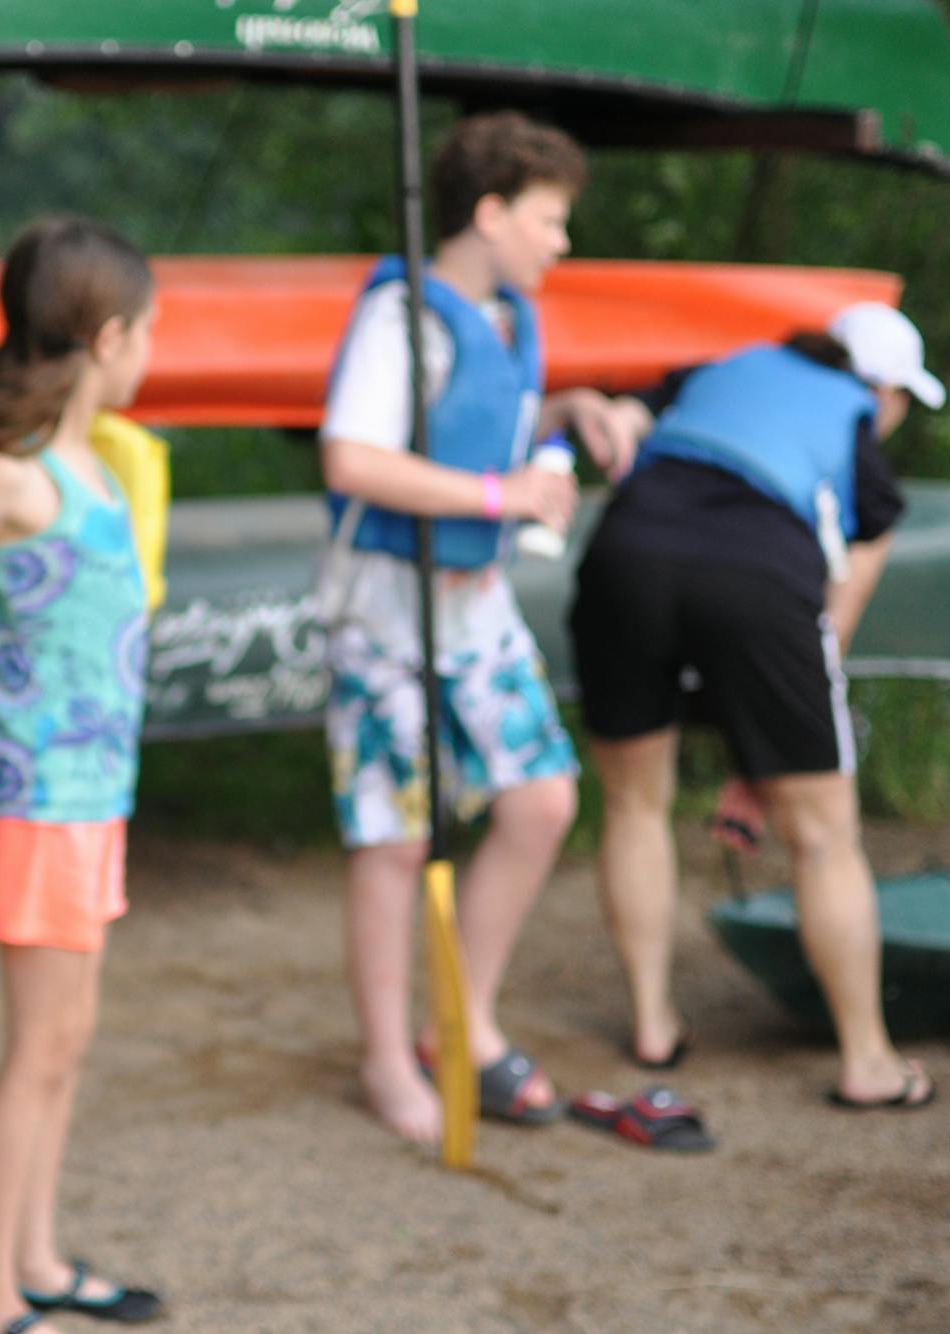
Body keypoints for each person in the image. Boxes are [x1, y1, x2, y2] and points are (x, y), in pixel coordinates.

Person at [316, 111, 640, 1145]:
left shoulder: (506, 318)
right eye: (549, 220)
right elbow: (353, 458)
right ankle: (385, 1060)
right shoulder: (402, 317)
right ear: (491, 214)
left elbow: (475, 422)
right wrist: (504, 496)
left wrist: (569, 409)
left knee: (541, 799)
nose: (562, 242)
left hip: (474, 602)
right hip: (386, 605)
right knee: (397, 836)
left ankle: (461, 1018)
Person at [569, 302, 946, 1108]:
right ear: (881, 390)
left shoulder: (724, 367)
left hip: (626, 550)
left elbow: (629, 414)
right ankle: (869, 1062)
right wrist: (772, 754)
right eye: (902, 401)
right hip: (756, 569)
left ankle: (652, 1023)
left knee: (633, 804)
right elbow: (833, 618)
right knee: (824, 836)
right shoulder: (853, 423)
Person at [0, 218, 163, 1334]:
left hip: (92, 800)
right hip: (35, 807)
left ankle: (38, 1259)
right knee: (38, 1049)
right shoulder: (6, 479)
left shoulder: (100, 468)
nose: (150, 351)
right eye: (147, 331)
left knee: (68, 1043)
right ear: (108, 337)